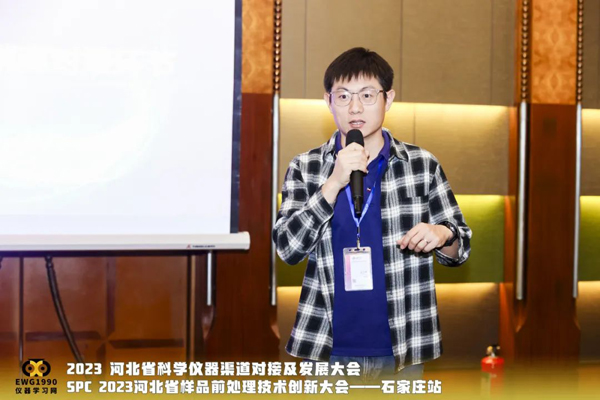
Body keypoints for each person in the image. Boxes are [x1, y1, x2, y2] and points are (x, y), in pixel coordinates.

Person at [272, 47, 472, 381]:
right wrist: (333, 183)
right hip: (326, 348)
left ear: (388, 99)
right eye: (343, 96)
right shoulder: (306, 167)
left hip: (404, 347)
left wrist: (443, 234)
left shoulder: (421, 165)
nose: (354, 108)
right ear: (328, 101)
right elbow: (287, 249)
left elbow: (460, 248)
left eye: (367, 95)